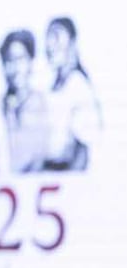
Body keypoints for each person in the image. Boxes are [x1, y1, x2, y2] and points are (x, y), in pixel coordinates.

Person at [43, 16, 101, 171]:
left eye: (56, 36)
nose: (50, 45)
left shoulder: (78, 85)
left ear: (73, 43)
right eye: (48, 38)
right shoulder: (55, 87)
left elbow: (83, 148)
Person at [0, 30, 49, 173]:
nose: (15, 68)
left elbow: (41, 156)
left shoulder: (41, 105)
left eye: (20, 59)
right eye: (9, 60)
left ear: (31, 62)